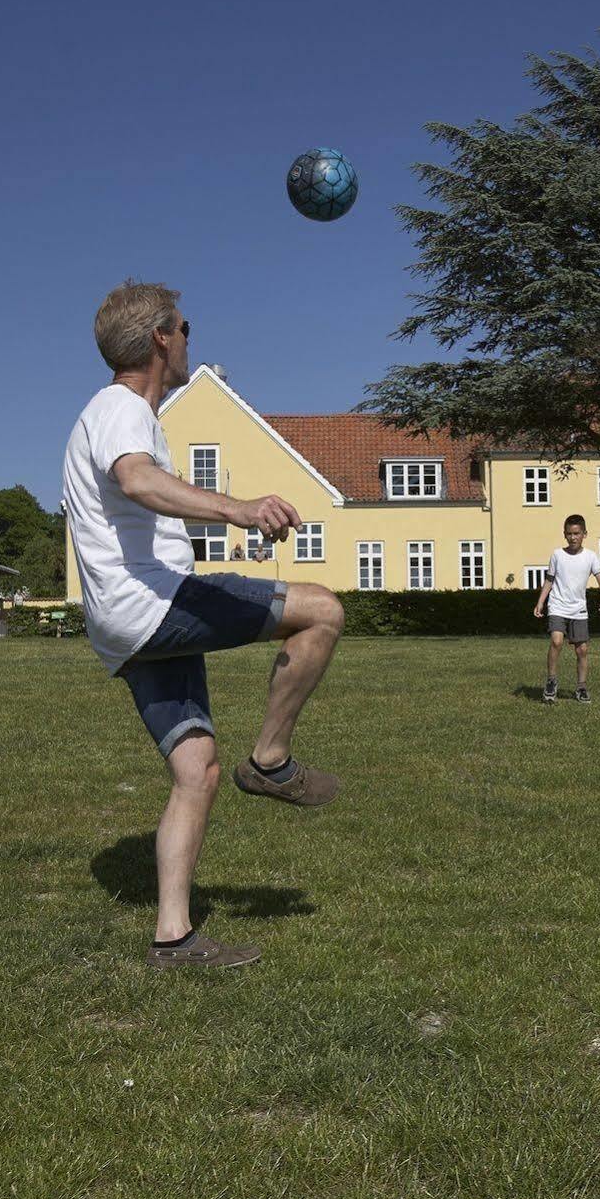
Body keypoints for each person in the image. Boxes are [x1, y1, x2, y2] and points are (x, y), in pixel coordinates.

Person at [63, 280, 346, 971]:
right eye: (185, 327)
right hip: (153, 606)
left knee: (196, 772)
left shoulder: (116, 414)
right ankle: (272, 761)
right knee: (323, 611)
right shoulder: (121, 409)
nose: (192, 338)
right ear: (162, 337)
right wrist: (240, 509)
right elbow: (137, 481)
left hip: (127, 626)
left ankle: (173, 937)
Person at [531, 514, 600, 704]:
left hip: (578, 609)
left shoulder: (590, 556)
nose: (573, 537)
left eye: (577, 533)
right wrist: (540, 602)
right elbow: (549, 581)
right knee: (556, 641)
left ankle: (581, 688)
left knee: (582, 650)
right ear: (564, 535)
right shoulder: (557, 555)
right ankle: (551, 682)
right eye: (569, 534)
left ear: (584, 534)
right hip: (557, 605)